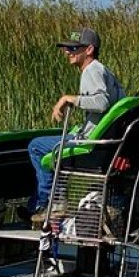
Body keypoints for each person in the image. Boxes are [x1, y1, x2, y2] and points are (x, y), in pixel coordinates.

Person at [27, 27, 125, 227]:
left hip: (91, 144)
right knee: (52, 142)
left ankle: (49, 203)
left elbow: (101, 103)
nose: (67, 52)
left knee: (36, 146)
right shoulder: (105, 71)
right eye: (66, 48)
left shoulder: (92, 70)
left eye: (73, 48)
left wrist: (68, 98)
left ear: (89, 49)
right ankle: (45, 203)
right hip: (103, 141)